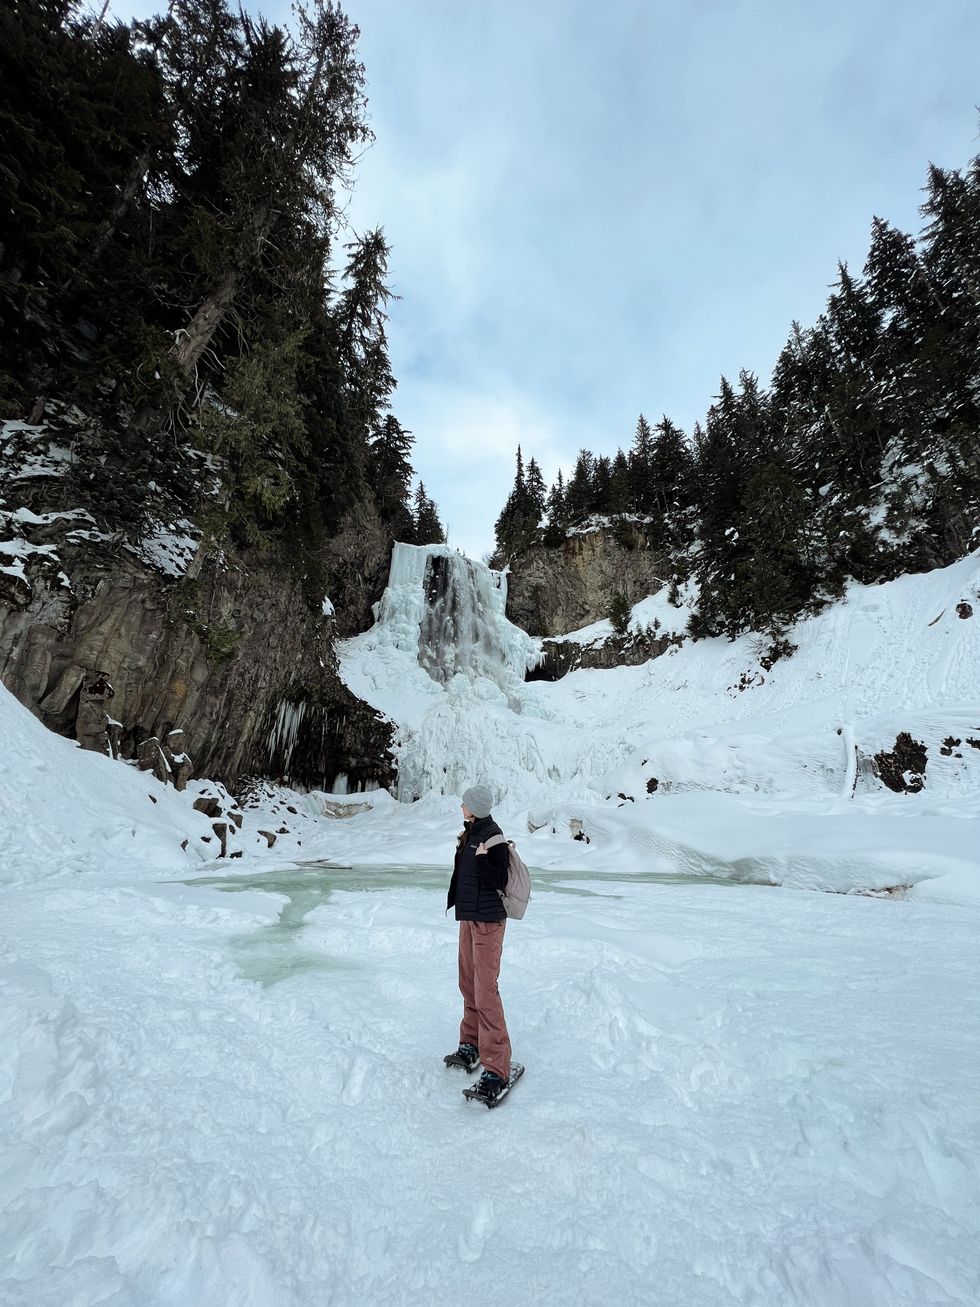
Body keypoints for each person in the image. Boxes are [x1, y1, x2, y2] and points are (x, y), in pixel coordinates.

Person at [445, 783, 512, 1101]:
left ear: (477, 807)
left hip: (488, 923)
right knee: (469, 984)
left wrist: (484, 859)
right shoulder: (472, 832)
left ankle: (497, 1068)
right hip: (469, 919)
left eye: (465, 803)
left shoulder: (493, 837)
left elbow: (500, 879)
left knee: (485, 991)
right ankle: (470, 1044)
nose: (461, 806)